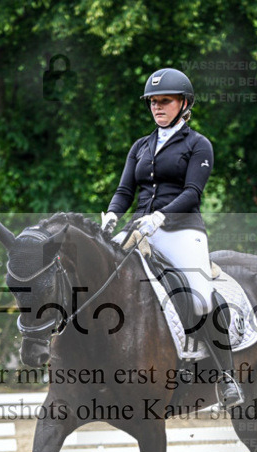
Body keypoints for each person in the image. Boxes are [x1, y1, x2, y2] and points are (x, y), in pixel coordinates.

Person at [102, 67, 243, 408]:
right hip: (138, 229)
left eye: (165, 101)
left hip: (182, 231)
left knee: (199, 296)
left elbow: (193, 192)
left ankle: (226, 377)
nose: (157, 107)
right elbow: (125, 190)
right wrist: (110, 215)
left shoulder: (198, 145)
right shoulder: (141, 146)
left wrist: (160, 217)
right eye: (153, 102)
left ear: (183, 103)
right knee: (102, 278)